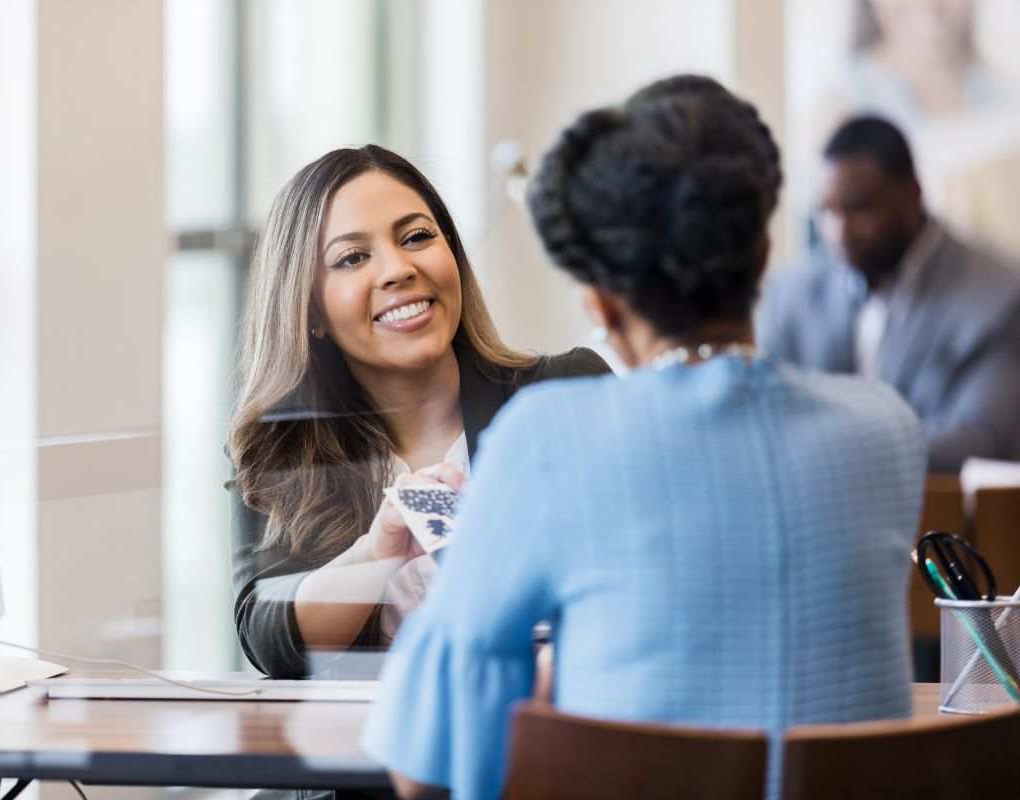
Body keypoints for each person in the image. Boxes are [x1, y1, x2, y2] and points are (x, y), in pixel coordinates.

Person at [362, 76, 927, 800]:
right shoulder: (886, 429)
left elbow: (424, 764)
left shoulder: (551, 435)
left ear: (598, 301)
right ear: (761, 256)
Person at [227, 145, 610, 680]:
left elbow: (646, 585)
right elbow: (267, 638)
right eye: (352, 258)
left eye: (417, 238)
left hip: (548, 741)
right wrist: (375, 553)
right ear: (310, 309)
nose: (399, 269)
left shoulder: (566, 392)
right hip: (365, 751)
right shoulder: (283, 444)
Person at [760, 114, 1020, 472]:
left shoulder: (1000, 293)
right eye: (826, 211)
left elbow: (981, 438)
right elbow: (764, 416)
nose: (838, 232)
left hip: (944, 519)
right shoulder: (792, 293)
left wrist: (822, 445)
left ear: (913, 193)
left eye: (859, 208)